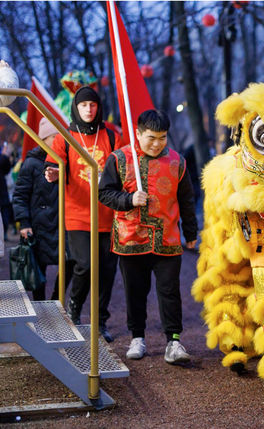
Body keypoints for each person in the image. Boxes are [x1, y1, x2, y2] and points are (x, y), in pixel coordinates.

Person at [99, 109, 197, 364]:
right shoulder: (118, 159)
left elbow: (186, 199)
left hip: (168, 238)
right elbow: (105, 193)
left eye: (163, 137)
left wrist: (191, 232)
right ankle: (137, 337)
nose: (157, 143)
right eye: (151, 137)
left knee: (169, 291)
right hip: (131, 239)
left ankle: (174, 341)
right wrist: (129, 199)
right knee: (135, 290)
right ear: (138, 133)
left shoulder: (178, 162)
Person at [44, 86, 122, 343]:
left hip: (107, 215)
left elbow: (125, 167)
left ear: (98, 107)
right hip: (76, 214)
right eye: (83, 105)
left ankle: (99, 321)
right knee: (85, 265)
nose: (88, 109)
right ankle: (75, 310)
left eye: (92, 105)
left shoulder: (111, 136)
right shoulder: (64, 137)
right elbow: (52, 166)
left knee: (106, 271)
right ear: (75, 108)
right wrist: (52, 173)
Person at [13, 118, 75, 301]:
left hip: (65, 223)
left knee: (71, 261)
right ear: (44, 138)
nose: (59, 140)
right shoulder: (31, 163)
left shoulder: (68, 160)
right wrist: (24, 223)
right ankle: (39, 303)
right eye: (55, 136)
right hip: (39, 226)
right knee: (38, 266)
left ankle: (57, 297)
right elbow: (20, 195)